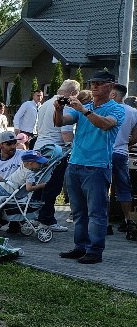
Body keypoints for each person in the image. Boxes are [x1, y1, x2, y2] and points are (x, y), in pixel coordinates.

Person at [55, 70, 126, 264]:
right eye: (92, 83)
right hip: (75, 164)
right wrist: (58, 109)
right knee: (78, 212)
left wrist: (84, 111)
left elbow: (106, 124)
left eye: (99, 83)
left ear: (111, 87)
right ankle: (81, 247)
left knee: (96, 212)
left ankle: (95, 251)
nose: (94, 86)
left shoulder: (116, 109)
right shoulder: (85, 106)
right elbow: (60, 122)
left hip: (97, 166)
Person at [33, 79, 79, 231]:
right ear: (73, 93)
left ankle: (34, 215)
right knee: (52, 186)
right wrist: (74, 147)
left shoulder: (45, 104)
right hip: (55, 151)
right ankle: (47, 219)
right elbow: (66, 133)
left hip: (40, 147)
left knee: (38, 184)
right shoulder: (65, 106)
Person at [0, 151, 48, 215]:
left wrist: (41, 185)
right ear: (30, 163)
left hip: (6, 187)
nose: (41, 165)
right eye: (39, 163)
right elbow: (29, 188)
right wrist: (42, 185)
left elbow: (28, 187)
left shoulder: (23, 166)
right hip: (7, 188)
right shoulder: (29, 174)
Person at [108, 85, 137, 235]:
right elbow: (135, 137)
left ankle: (104, 222)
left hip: (103, 153)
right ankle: (128, 220)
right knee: (124, 187)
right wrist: (125, 143)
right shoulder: (133, 112)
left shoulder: (106, 108)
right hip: (121, 153)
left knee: (102, 187)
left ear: (113, 94)